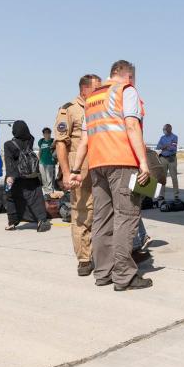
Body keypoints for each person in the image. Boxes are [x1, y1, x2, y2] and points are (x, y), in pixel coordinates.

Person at [69, 61, 153, 291]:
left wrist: (76, 170)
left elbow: (85, 140)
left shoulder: (93, 99)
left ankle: (103, 272)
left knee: (102, 218)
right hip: (123, 162)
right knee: (126, 217)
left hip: (98, 165)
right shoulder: (126, 91)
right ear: (129, 76)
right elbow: (132, 126)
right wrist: (143, 163)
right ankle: (124, 275)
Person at [56, 74, 102, 276]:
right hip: (80, 169)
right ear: (84, 89)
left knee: (100, 212)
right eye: (97, 88)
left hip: (101, 166)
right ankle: (84, 259)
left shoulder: (100, 109)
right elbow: (61, 143)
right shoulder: (69, 110)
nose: (101, 92)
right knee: (82, 212)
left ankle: (100, 254)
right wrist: (66, 173)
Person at [4, 120, 50, 231]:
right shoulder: (30, 140)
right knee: (35, 197)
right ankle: (41, 220)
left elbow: (9, 161)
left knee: (10, 197)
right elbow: (30, 135)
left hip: (16, 176)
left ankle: (12, 222)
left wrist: (10, 177)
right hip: (31, 174)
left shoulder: (9, 145)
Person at [156, 124, 180, 199]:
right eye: (163, 129)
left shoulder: (174, 137)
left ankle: (176, 195)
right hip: (163, 158)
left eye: (165, 129)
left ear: (169, 129)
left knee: (174, 177)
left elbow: (173, 148)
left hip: (172, 159)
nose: (164, 130)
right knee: (162, 177)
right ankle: (161, 195)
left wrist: (165, 147)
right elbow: (158, 147)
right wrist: (166, 146)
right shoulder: (162, 138)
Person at [38, 127, 57, 198]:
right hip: (42, 162)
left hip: (50, 162)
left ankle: (50, 192)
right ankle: (46, 192)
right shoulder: (41, 141)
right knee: (43, 178)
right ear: (43, 134)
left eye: (48, 132)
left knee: (50, 178)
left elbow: (56, 147)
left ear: (50, 133)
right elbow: (40, 151)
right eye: (45, 133)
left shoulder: (53, 141)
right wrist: (39, 160)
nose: (47, 134)